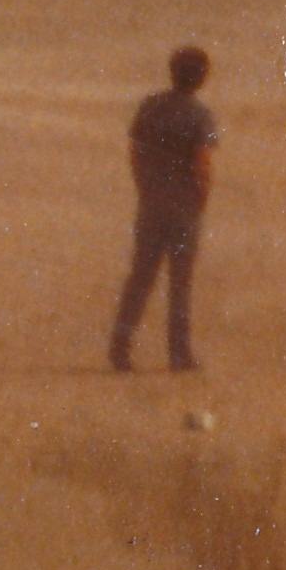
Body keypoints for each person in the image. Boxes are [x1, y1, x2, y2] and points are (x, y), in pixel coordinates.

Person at [109, 43, 215, 373]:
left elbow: (135, 153)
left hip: (152, 202)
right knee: (180, 283)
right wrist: (201, 200)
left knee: (140, 277)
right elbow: (203, 164)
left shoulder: (150, 106)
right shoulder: (200, 115)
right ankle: (179, 353)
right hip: (184, 207)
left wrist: (144, 186)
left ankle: (120, 348)